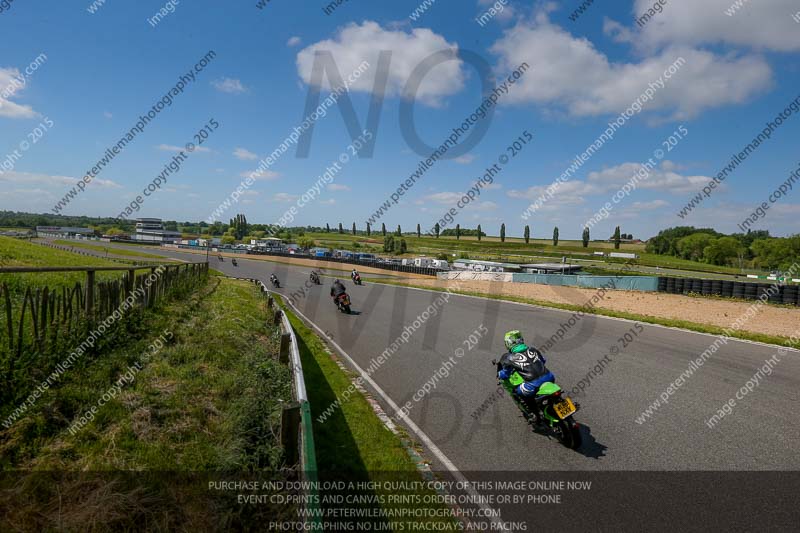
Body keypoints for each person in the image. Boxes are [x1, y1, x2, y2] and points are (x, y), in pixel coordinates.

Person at [496, 330, 555, 423]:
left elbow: (505, 374)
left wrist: (499, 374)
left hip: (532, 385)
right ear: (521, 339)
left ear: (508, 343)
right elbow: (543, 361)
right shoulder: (533, 349)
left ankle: (535, 414)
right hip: (550, 377)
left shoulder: (509, 357)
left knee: (517, 391)